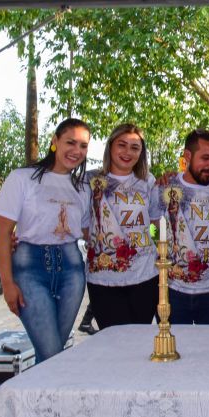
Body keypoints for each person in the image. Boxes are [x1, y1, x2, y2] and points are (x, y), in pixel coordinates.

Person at [0, 118, 91, 363]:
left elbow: (89, 232)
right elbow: (3, 233)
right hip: (30, 268)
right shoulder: (22, 178)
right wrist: (7, 284)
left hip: (72, 270)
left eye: (83, 145)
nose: (77, 151)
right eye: (71, 142)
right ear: (55, 142)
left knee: (52, 353)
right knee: (50, 353)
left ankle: (44, 402)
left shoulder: (83, 187)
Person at [84, 123, 160, 329]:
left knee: (140, 341)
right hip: (103, 279)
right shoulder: (89, 180)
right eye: (122, 145)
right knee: (113, 343)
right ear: (110, 147)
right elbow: (83, 225)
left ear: (141, 153)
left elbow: (153, 221)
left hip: (145, 277)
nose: (128, 152)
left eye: (135, 147)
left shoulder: (148, 182)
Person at [159, 129, 209, 325]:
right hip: (173, 291)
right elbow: (151, 225)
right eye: (206, 158)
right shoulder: (165, 187)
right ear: (187, 156)